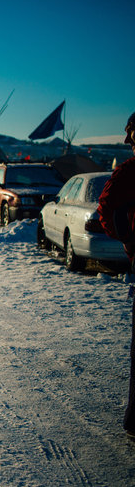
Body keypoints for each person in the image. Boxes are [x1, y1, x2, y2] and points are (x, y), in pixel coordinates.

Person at [97, 111, 135, 439]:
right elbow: (108, 210)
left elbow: (106, 209)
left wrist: (127, 238)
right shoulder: (129, 173)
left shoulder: (129, 172)